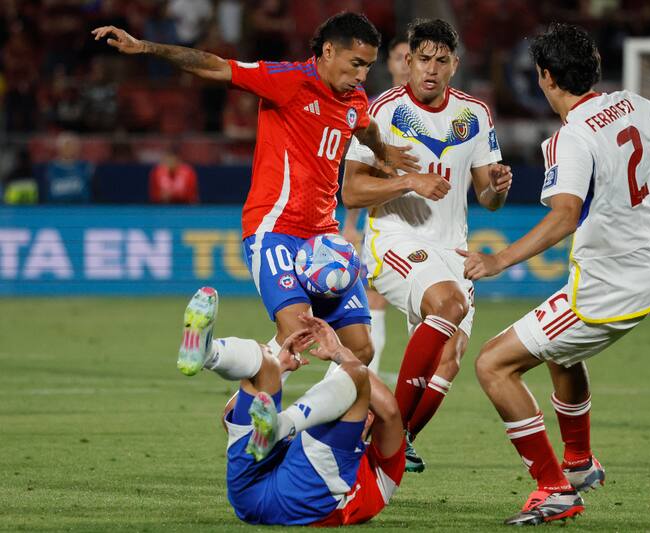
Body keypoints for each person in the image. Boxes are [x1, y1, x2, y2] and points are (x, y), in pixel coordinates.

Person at [456, 23, 650, 525]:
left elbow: (563, 217)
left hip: (606, 290)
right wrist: (634, 177)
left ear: (546, 77)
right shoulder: (640, 105)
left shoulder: (570, 138)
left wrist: (496, 260)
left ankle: (554, 490)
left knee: (492, 364)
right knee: (560, 352)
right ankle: (577, 463)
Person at [92, 13, 419, 375]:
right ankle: (215, 356)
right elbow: (215, 66)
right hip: (276, 228)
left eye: (368, 66)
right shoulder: (288, 80)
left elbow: (364, 126)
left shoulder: (354, 98)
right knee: (296, 334)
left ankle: (231, 371)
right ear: (328, 51)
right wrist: (145, 47)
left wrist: (382, 151)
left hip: (324, 236)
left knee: (360, 348)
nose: (362, 76)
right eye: (356, 63)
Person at [342, 19, 512, 472]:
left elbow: (488, 199)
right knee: (449, 305)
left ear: (454, 64)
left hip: (451, 249)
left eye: (441, 61)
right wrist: (408, 181)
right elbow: (351, 191)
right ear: (409, 62)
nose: (431, 69)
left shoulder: (475, 114)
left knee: (450, 357)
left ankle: (392, 443)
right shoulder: (383, 111)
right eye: (422, 60)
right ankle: (390, 434)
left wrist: (497, 188)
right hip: (395, 240)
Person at [178, 287, 405, 526]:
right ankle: (208, 353)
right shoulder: (298, 440)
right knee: (265, 360)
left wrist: (340, 352)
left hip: (305, 501)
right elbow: (232, 416)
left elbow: (390, 411)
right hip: (248, 494)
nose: (365, 413)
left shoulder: (382, 467)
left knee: (357, 373)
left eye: (367, 411)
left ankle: (280, 423)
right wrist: (280, 367)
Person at [341, 35, 411, 377]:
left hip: (426, 221)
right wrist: (350, 224)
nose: (406, 64)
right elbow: (359, 174)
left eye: (411, 57)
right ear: (390, 64)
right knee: (374, 298)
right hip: (383, 219)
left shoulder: (436, 110)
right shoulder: (376, 111)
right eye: (399, 57)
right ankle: (366, 378)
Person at [44, 132, 94, 204]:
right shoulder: (49, 168)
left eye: (74, 145)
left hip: (81, 208)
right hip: (56, 208)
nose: (71, 149)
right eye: (68, 145)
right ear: (59, 148)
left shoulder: (86, 167)